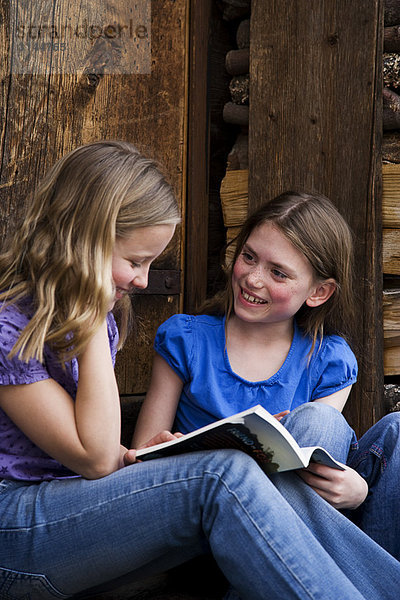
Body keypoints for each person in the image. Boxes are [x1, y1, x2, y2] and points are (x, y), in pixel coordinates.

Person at [0, 148, 399, 600]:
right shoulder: (10, 330)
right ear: (83, 244)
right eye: (135, 261)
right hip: (14, 526)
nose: (144, 282)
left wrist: (161, 459)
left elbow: (108, 459)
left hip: (80, 517)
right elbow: (95, 459)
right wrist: (92, 317)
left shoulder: (98, 320)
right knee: (222, 475)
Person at [132, 191, 368, 510]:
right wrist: (169, 454)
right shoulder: (187, 340)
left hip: (295, 516)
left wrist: (358, 490)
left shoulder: (328, 361)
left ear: (319, 292)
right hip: (205, 508)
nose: (253, 278)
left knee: (323, 421)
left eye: (278, 273)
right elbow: (139, 458)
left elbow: (315, 475)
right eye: (249, 257)